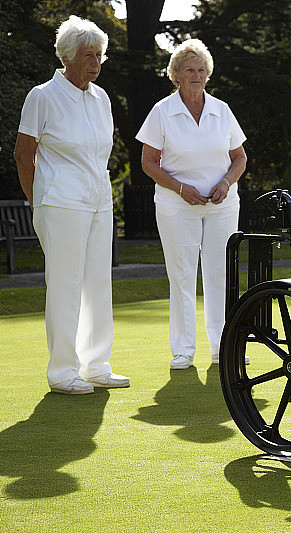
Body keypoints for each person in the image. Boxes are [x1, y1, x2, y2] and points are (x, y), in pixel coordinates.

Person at [13, 16, 129, 394]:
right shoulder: (42, 96)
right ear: (67, 56)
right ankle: (62, 371)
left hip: (99, 201)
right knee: (64, 285)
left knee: (98, 284)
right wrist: (37, 203)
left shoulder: (102, 98)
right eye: (88, 55)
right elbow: (23, 155)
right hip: (60, 203)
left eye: (99, 55)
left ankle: (97, 366)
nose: (95, 63)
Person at [136, 39, 247, 370]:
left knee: (219, 275)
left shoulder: (222, 110)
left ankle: (221, 348)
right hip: (176, 206)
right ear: (176, 76)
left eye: (201, 70)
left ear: (208, 74)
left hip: (221, 206)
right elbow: (149, 162)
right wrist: (181, 188)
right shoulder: (162, 111)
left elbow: (239, 158)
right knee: (182, 276)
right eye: (189, 70)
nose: (196, 75)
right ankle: (183, 351)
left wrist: (226, 183)